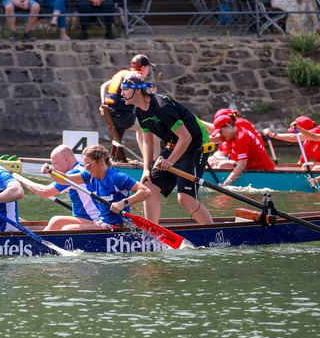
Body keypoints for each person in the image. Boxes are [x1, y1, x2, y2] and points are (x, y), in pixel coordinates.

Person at [120, 72, 214, 225]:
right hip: (175, 145)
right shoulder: (139, 110)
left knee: (185, 197)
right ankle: (152, 231)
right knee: (148, 186)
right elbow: (148, 142)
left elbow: (186, 137)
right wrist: (146, 169)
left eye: (125, 89)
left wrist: (170, 161)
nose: (121, 93)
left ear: (138, 90)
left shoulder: (162, 107)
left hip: (195, 146)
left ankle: (213, 232)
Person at [53, 144, 152, 231]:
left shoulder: (116, 177)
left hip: (118, 227)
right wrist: (50, 171)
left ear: (101, 161)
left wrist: (123, 203)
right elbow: (64, 179)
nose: (86, 168)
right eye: (84, 165)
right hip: (103, 224)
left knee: (68, 229)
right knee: (60, 223)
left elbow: (145, 191)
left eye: (88, 165)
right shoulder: (89, 176)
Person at [14, 145, 104, 231]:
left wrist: (20, 178)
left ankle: (35, 245)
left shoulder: (74, 173)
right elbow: (57, 180)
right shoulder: (81, 169)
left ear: (66, 159)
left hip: (95, 221)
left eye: (55, 163)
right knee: (58, 222)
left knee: (56, 221)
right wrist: (50, 171)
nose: (54, 167)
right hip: (87, 218)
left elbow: (44, 192)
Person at [100, 54, 152, 162]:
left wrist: (102, 103)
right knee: (152, 127)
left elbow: (103, 86)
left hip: (113, 115)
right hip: (122, 118)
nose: (148, 70)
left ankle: (146, 159)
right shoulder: (135, 78)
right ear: (143, 68)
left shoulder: (123, 74)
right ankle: (153, 161)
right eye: (148, 67)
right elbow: (145, 97)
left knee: (141, 128)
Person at [210, 114, 275, 185]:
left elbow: (241, 165)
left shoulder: (242, 137)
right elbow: (210, 140)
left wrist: (225, 184)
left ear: (228, 125)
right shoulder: (232, 133)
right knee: (212, 161)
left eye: (220, 132)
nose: (220, 134)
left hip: (262, 171)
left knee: (224, 164)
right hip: (249, 168)